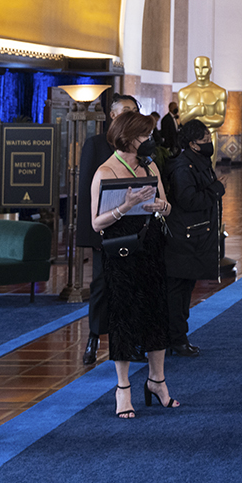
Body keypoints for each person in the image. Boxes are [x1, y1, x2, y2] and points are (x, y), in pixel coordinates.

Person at [90, 110, 178, 419]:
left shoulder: (149, 164)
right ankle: (123, 388)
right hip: (121, 250)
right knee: (124, 316)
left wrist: (161, 206)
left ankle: (158, 380)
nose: (150, 141)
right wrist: (125, 205)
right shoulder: (105, 171)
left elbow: (165, 206)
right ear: (128, 137)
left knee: (156, 312)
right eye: (145, 136)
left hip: (151, 245)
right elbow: (96, 223)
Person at [77, 92, 138, 365]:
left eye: (134, 110)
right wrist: (92, 236)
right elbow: (86, 194)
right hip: (104, 230)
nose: (130, 114)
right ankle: (93, 337)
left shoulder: (140, 146)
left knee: (131, 287)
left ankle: (127, 342)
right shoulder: (95, 144)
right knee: (102, 285)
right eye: (126, 109)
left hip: (135, 228)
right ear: (113, 115)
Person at [163, 118, 226, 357]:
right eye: (205, 140)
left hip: (194, 237)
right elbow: (188, 200)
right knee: (177, 293)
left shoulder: (197, 162)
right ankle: (176, 339)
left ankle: (178, 337)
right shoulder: (183, 167)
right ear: (192, 144)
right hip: (183, 239)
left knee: (183, 290)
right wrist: (217, 189)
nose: (209, 143)